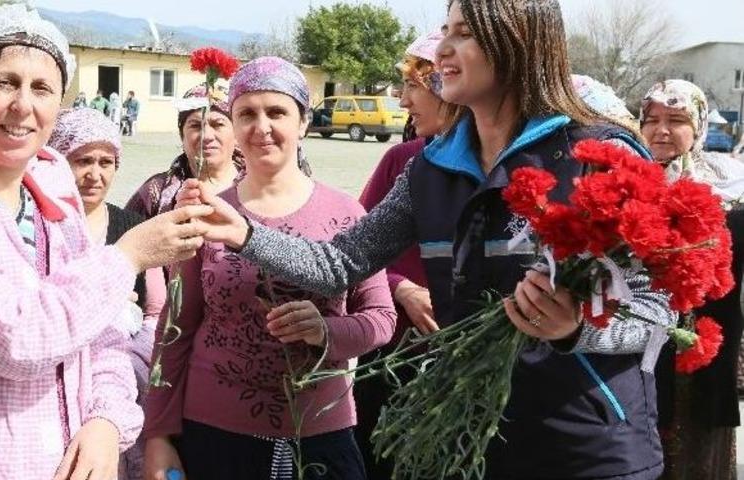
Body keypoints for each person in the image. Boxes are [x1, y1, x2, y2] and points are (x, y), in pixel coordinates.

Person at [176, 1, 677, 478]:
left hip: (587, 448)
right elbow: (338, 263)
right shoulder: (429, 169)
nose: (441, 51)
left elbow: (661, 309)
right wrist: (245, 234)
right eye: (446, 31)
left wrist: (577, 328)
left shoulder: (596, 155)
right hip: (474, 444)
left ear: (518, 41)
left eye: (463, 34)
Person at [0, 5, 212, 479]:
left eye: (42, 89)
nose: (23, 105)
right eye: (4, 83)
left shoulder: (52, 195)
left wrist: (105, 419)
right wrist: (129, 255)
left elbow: (100, 334)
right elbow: (18, 337)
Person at [142, 56, 397, 480]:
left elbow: (381, 319)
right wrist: (158, 435)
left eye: (276, 112)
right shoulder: (208, 213)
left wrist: (324, 333)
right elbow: (175, 329)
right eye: (246, 114)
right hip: (213, 436)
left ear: (303, 122)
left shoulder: (347, 213)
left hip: (320, 435)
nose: (261, 127)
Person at [353, 29, 459, 480]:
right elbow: (354, 251)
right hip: (396, 351)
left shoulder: (504, 163)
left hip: (465, 358)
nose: (402, 101)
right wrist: (403, 289)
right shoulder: (404, 160)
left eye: (413, 87)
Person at [48, 107, 166, 480]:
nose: (94, 175)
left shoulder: (133, 228)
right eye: (81, 160)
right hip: (53, 389)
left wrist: (133, 357)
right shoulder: (38, 225)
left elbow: (156, 311)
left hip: (120, 387)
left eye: (106, 162)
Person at [640, 79, 744, 480]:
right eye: (652, 119)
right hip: (635, 352)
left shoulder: (728, 188)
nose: (661, 130)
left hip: (700, 351)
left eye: (677, 119)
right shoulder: (621, 181)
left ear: (698, 126)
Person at [125, 81, 243, 221]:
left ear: (236, 134)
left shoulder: (260, 185)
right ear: (182, 136)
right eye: (195, 126)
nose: (207, 136)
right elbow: (126, 240)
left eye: (218, 124)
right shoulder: (154, 191)